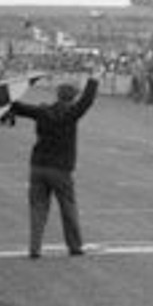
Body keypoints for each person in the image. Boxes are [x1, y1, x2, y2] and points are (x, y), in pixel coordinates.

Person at [10, 66, 100, 259]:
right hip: (60, 169)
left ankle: (35, 248)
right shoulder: (71, 114)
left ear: (58, 95)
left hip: (38, 165)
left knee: (37, 209)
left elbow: (19, 108)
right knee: (68, 208)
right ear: (72, 97)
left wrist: (4, 97)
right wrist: (93, 80)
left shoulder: (43, 111)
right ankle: (74, 246)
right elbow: (87, 101)